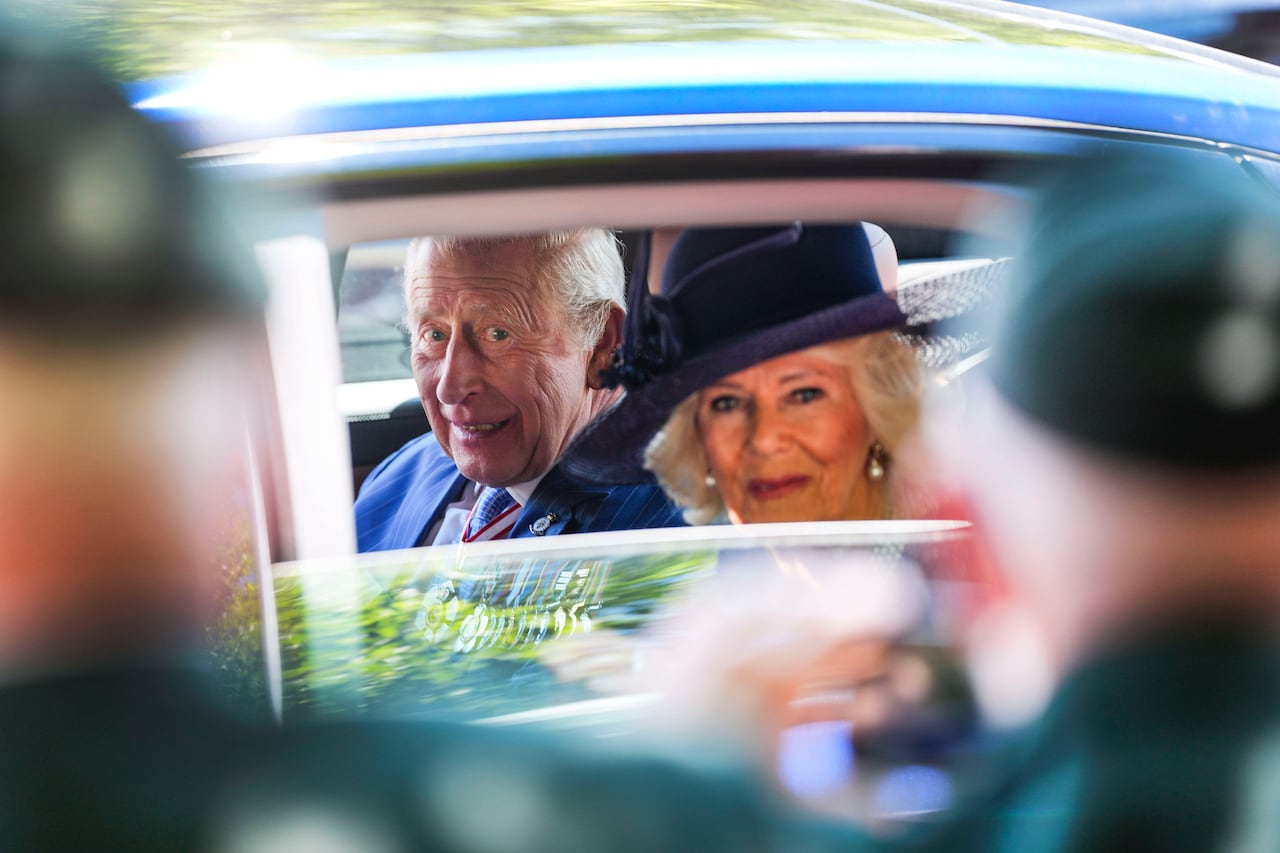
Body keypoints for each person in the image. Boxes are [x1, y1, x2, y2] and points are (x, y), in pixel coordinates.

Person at [564, 223, 1007, 524]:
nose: (764, 439)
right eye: (726, 403)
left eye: (804, 394)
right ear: (697, 441)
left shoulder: (955, 576)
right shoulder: (704, 603)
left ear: (877, 406)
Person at [354, 231, 685, 550]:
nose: (450, 389)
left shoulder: (676, 528)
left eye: (497, 334)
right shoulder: (397, 478)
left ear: (602, 344)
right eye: (434, 335)